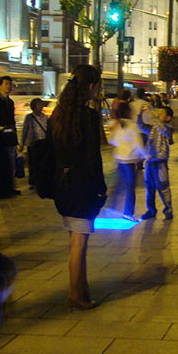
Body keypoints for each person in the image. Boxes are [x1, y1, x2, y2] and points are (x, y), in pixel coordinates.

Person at [50, 65, 106, 310]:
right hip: (82, 187)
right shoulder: (89, 117)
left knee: (75, 238)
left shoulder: (58, 114)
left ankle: (82, 289)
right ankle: (75, 294)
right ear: (91, 86)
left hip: (62, 186)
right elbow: (93, 157)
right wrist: (100, 187)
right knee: (79, 244)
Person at [107, 101, 145, 222]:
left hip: (119, 158)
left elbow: (111, 141)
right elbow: (138, 143)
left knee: (120, 184)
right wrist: (146, 155)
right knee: (130, 187)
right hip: (129, 160)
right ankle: (128, 213)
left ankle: (111, 206)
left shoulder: (116, 124)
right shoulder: (132, 125)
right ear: (129, 112)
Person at [137, 105, 174, 220]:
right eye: (158, 112)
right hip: (149, 160)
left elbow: (161, 128)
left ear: (168, 118)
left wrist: (149, 113)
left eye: (161, 113)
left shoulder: (168, 128)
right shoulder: (153, 128)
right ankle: (151, 210)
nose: (158, 115)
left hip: (160, 162)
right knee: (149, 187)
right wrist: (140, 114)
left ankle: (168, 209)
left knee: (163, 186)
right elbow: (141, 126)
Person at [0, 76, 20, 195]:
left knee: (11, 164)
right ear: (0, 86)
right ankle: (1, 189)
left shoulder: (10, 102)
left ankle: (10, 187)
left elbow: (12, 120)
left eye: (10, 84)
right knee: (1, 164)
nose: (9, 87)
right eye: (6, 84)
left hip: (10, 137)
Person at [21, 98, 48, 189]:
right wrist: (22, 143)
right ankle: (33, 182)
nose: (42, 106)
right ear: (34, 107)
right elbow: (25, 130)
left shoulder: (45, 117)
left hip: (43, 142)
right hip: (33, 143)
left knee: (42, 163)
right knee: (33, 164)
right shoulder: (29, 117)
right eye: (39, 105)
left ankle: (41, 181)